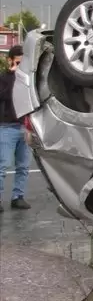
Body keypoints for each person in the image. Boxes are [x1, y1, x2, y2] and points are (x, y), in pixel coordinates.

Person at [0, 46, 31, 211]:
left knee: (23, 166)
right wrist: (13, 75)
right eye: (17, 62)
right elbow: (4, 95)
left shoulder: (27, 79)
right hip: (6, 126)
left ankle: (18, 197)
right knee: (2, 166)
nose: (20, 66)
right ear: (10, 60)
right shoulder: (4, 78)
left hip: (24, 126)